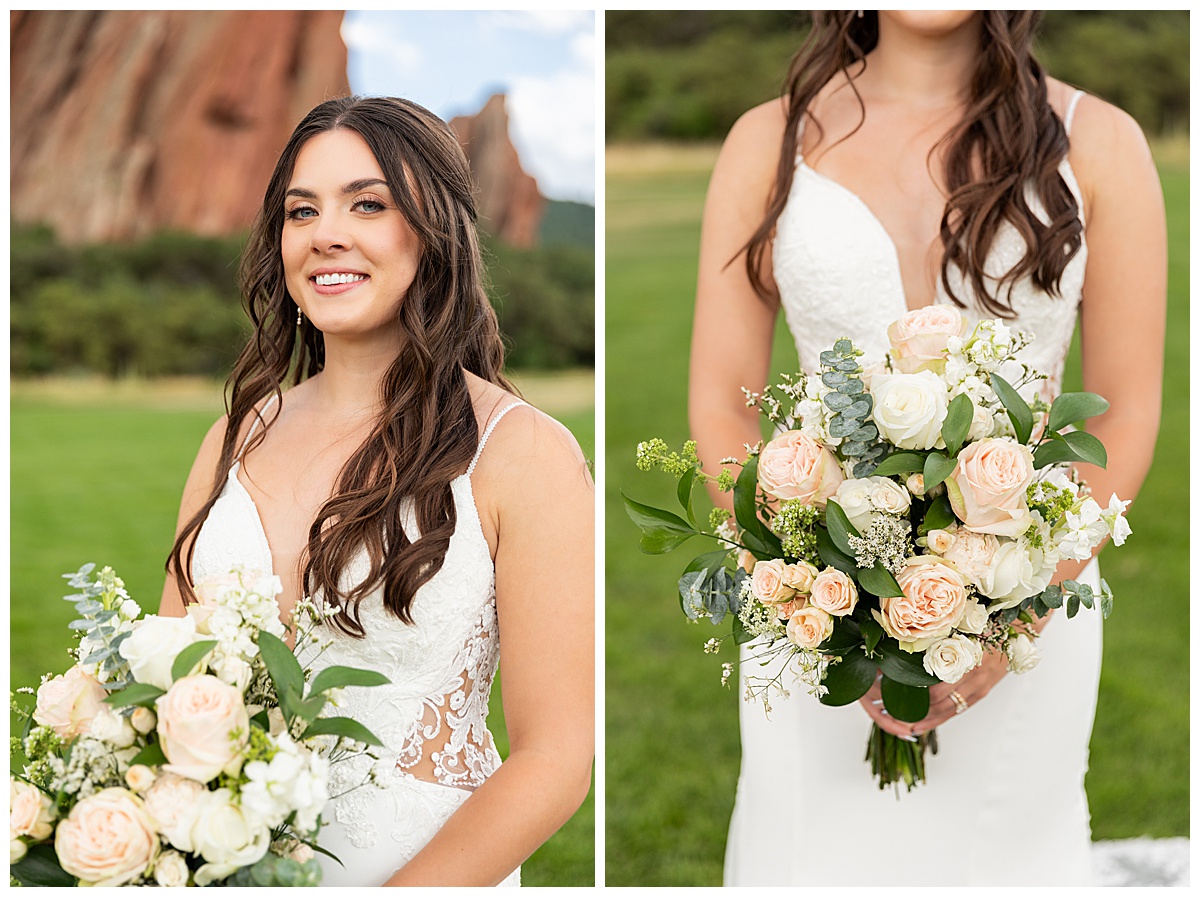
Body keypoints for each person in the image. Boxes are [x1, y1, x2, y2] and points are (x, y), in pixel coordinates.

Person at [689, 11, 1164, 887]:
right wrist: (818, 590)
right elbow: (722, 404)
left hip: (1034, 614)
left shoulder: (1101, 141)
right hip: (811, 612)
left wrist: (1010, 604)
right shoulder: (768, 139)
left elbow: (1126, 412)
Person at [159, 96, 595, 886]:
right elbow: (164, 681)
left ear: (436, 234)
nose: (327, 232)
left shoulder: (524, 451)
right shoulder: (234, 435)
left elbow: (556, 759)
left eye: (368, 203)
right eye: (302, 210)